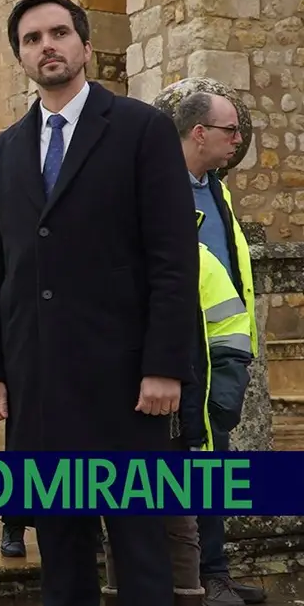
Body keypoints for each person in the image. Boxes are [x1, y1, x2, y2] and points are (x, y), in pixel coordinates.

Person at [0, 0, 199, 606]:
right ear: (20, 57)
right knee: (62, 553)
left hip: (126, 385)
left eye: (57, 34)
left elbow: (173, 260)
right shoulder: (5, 150)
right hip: (39, 385)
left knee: (140, 550)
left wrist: (164, 366)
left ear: (84, 46)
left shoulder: (140, 129)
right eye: (31, 39)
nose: (46, 46)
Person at [102, 211, 254, 606]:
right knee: (119, 521)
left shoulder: (199, 259)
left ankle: (191, 594)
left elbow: (231, 335)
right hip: (118, 418)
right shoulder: (100, 258)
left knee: (180, 522)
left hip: (177, 420)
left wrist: (218, 405)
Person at [171, 90, 265, 606]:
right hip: (183, 351)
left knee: (214, 464)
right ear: (199, 132)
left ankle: (216, 571)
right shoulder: (158, 189)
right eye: (230, 131)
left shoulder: (217, 191)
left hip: (222, 346)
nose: (238, 140)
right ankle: (198, 578)